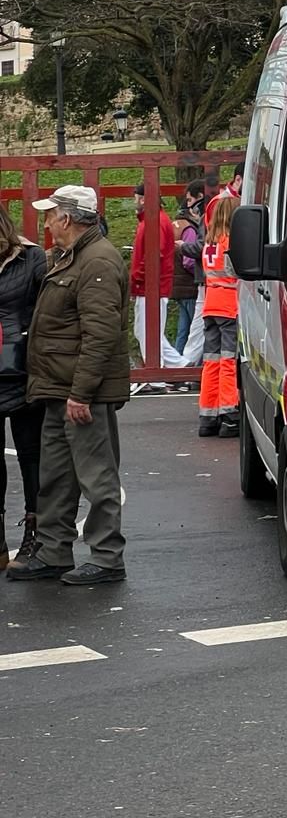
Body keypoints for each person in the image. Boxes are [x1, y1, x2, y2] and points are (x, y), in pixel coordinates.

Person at [6, 185, 131, 585]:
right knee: (56, 477)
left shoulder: (97, 261)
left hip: (80, 393)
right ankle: (54, 551)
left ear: (67, 218)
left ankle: (107, 558)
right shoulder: (72, 257)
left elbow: (100, 335)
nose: (46, 224)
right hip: (59, 389)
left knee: (96, 476)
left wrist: (82, 393)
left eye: (50, 216)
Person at [0, 207, 46, 570]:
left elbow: (49, 311)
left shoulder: (31, 258)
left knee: (31, 456)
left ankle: (35, 533)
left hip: (23, 368)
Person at [198, 195, 241, 438]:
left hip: (211, 305)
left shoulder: (210, 241)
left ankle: (208, 416)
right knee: (228, 362)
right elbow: (236, 273)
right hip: (229, 305)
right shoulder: (230, 241)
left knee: (211, 362)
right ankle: (229, 414)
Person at [130, 183, 182, 373]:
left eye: (136, 198)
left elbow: (154, 255)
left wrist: (136, 279)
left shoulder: (154, 222)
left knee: (148, 333)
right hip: (152, 285)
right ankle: (180, 366)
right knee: (149, 332)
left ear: (143, 199)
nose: (135, 202)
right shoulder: (156, 220)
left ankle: (157, 375)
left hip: (151, 286)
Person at [173, 179, 207, 371]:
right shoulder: (191, 227)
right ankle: (188, 366)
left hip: (181, 286)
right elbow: (190, 260)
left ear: (199, 197)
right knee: (196, 329)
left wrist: (184, 247)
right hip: (190, 285)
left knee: (186, 329)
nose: (188, 204)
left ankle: (181, 365)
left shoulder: (178, 224)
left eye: (189, 199)